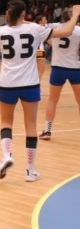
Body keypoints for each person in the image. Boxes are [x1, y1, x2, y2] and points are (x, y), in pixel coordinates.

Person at [0, 0, 80, 182]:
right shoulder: (35, 30)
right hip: (30, 84)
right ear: (24, 15)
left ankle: (7, 155)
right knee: (30, 126)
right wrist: (75, 14)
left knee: (6, 123)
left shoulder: (0, 32)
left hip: (7, 84)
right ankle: (30, 171)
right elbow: (67, 31)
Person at [39, 10, 80, 140]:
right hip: (75, 68)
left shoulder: (54, 27)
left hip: (58, 69)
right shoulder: (78, 30)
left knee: (52, 100)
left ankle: (47, 131)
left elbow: (39, 27)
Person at [35, 15, 48, 80]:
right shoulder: (42, 28)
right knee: (41, 70)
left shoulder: (33, 27)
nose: (46, 21)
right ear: (40, 21)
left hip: (33, 51)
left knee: (37, 70)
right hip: (39, 51)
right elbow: (49, 41)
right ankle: (37, 86)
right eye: (44, 19)